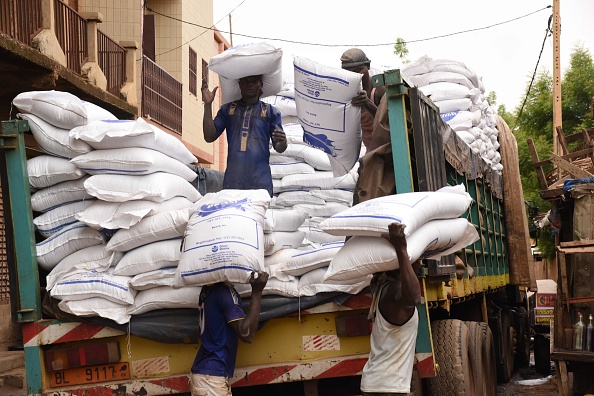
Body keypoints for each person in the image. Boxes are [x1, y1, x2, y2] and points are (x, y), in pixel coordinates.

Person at [360, 222, 422, 396]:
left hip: (380, 386)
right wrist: (401, 249)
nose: (418, 265)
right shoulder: (393, 292)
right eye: (414, 262)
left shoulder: (384, 289)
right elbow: (414, 298)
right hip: (386, 389)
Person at [201, 75, 287, 197]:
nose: (249, 84)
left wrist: (283, 141)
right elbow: (209, 136)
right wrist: (207, 105)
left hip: (260, 184)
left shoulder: (271, 112)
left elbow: (279, 148)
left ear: (261, 85)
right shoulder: (227, 110)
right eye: (245, 81)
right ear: (239, 85)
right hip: (233, 183)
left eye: (254, 81)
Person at [190, 271, 269, 396]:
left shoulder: (206, 290)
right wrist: (257, 292)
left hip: (208, 375)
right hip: (211, 378)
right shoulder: (224, 292)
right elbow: (246, 334)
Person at [340, 48, 386, 152]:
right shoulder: (349, 94)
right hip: (371, 152)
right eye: (349, 74)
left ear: (368, 66)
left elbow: (389, 124)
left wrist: (367, 103)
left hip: (388, 151)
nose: (355, 77)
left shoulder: (379, 90)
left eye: (358, 71)